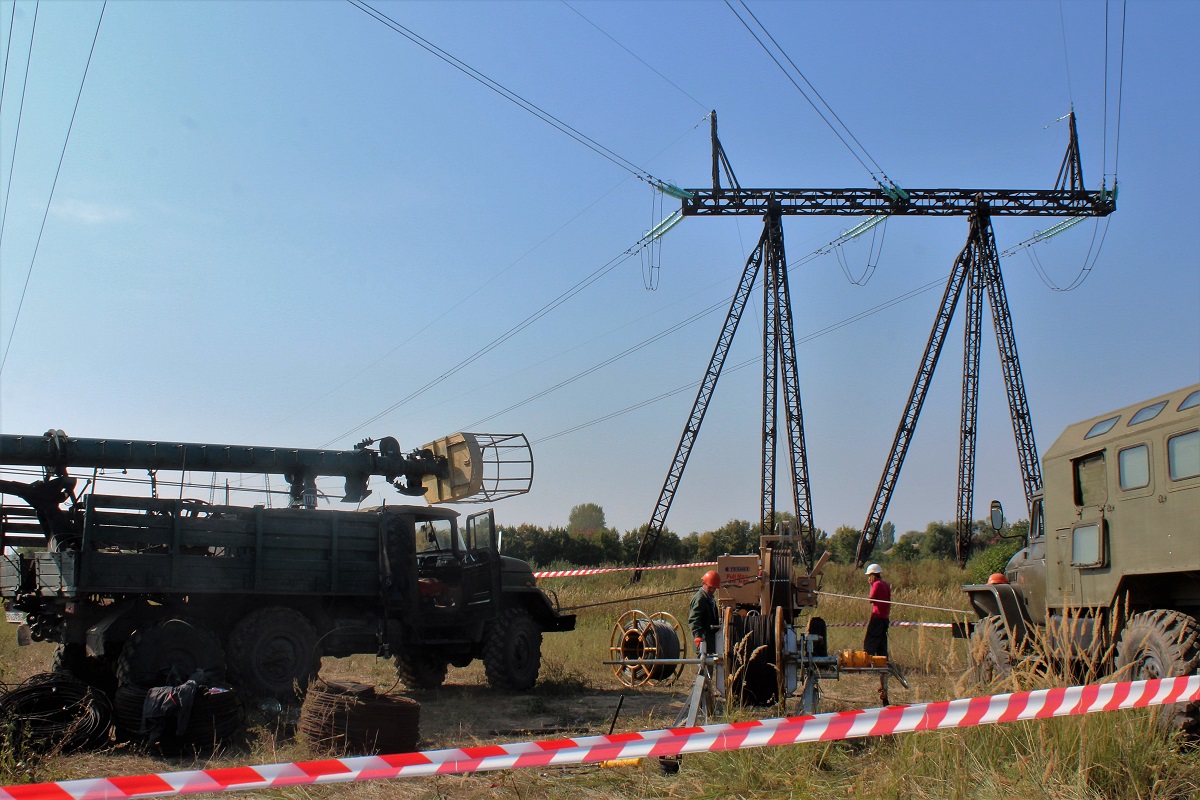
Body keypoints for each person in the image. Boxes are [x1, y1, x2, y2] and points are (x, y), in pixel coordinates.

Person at [863, 562, 891, 704]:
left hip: (877, 617)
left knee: (869, 642)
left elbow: (871, 599)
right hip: (885, 618)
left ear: (872, 575)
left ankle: (865, 663)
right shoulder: (886, 584)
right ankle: (882, 663)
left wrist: (870, 586)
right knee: (881, 646)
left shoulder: (876, 584)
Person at [689, 569, 721, 656]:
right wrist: (697, 636)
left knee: (708, 667)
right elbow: (694, 619)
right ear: (704, 583)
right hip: (702, 641)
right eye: (710, 587)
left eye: (714, 588)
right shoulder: (700, 599)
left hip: (709, 641)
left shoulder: (709, 598)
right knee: (704, 667)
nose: (712, 590)